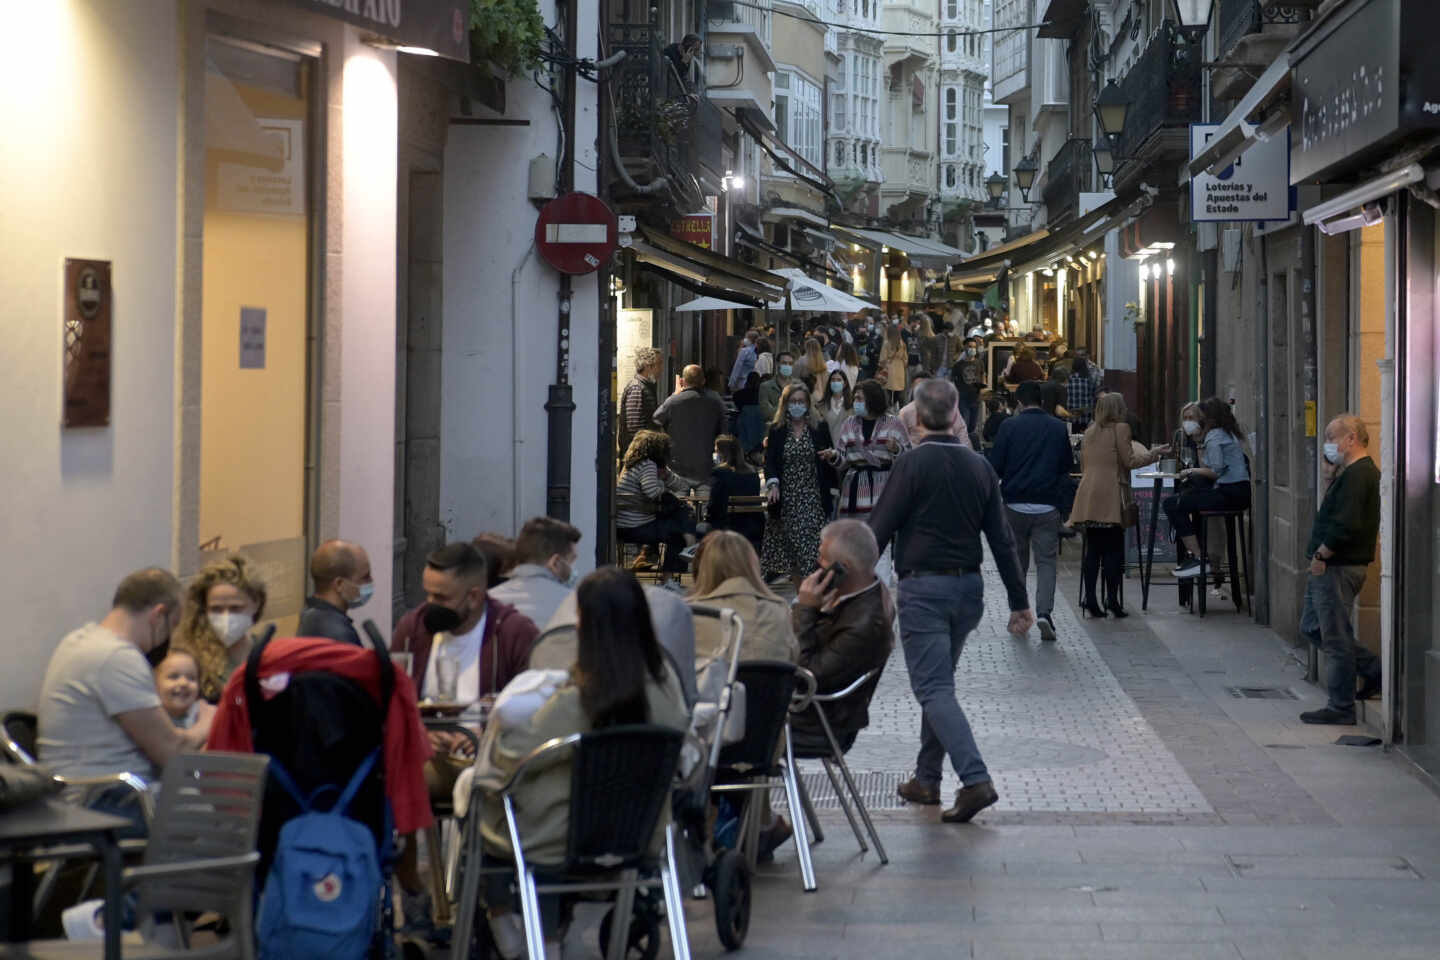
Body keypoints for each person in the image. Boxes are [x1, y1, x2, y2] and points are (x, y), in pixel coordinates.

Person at [470, 569, 689, 957]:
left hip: (558, 839)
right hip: (640, 834)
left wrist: (498, 729)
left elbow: (515, 753)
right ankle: (544, 937)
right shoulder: (666, 687)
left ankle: (506, 916)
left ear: (584, 624)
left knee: (486, 800)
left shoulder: (577, 699)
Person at [868, 379, 1033, 824]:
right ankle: (927, 778)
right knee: (940, 683)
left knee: (933, 688)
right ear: (956, 414)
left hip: (924, 590)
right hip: (968, 593)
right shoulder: (979, 467)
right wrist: (1019, 601)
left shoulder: (911, 465)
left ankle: (975, 779)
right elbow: (1002, 539)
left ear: (916, 418)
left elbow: (879, 528)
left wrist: (845, 579)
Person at [391, 541, 537, 926]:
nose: (430, 603)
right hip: (427, 761)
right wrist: (421, 734)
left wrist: (486, 725)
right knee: (391, 779)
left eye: (441, 596)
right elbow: (391, 700)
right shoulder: (414, 629)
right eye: (427, 592)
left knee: (480, 790)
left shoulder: (514, 633)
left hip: (493, 761)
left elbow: (537, 704)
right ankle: (413, 890)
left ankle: (489, 901)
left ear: (474, 595)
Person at [38, 568, 212, 826]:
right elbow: (172, 752)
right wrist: (210, 718)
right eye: (173, 626)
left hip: (80, 795)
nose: (168, 637)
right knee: (227, 814)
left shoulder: (78, 640)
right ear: (158, 615)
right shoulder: (116, 658)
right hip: (105, 801)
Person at [1299, 415, 1382, 725]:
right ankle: (1373, 669)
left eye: (1332, 437)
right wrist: (1328, 479)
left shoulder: (1360, 474)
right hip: (1329, 564)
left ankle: (1341, 706)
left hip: (1337, 565)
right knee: (1312, 627)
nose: (1328, 443)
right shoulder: (1348, 475)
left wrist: (1323, 553)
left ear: (1351, 439)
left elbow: (1345, 523)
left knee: (1335, 637)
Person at [789, 520, 892, 756]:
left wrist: (805, 609)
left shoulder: (865, 623)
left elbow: (804, 676)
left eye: (822, 557)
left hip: (816, 723)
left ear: (841, 568)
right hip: (808, 712)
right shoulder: (855, 597)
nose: (816, 565)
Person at [988, 380, 1075, 642]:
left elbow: (997, 465)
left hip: (1014, 504)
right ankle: (1044, 613)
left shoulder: (1009, 426)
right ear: (1042, 401)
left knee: (1018, 562)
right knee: (1046, 562)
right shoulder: (1058, 428)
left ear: (1019, 402)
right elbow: (1065, 467)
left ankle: (1019, 612)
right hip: (1047, 505)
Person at [1069, 393, 1163, 617]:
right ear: (1118, 408)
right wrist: (1154, 455)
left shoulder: (1089, 431)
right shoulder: (1121, 429)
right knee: (1113, 550)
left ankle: (1090, 598)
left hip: (1088, 492)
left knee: (1093, 549)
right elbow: (1130, 461)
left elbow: (1084, 463)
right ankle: (1112, 600)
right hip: (1111, 492)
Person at [1164, 397, 1251, 580]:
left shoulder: (1214, 436)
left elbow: (1216, 470)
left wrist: (1192, 470)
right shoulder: (1227, 433)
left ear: (1208, 418)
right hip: (1238, 493)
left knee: (1172, 504)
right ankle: (1201, 558)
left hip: (1229, 493)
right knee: (1188, 499)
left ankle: (1199, 558)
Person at [761, 383, 836, 586]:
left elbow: (831, 457)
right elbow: (770, 462)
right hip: (787, 500)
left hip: (813, 498)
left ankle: (810, 595)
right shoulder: (777, 430)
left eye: (801, 401)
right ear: (785, 404)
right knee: (793, 553)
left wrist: (831, 461)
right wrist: (773, 484)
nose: (797, 405)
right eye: (793, 402)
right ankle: (801, 596)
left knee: (812, 551)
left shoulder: (819, 427)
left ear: (807, 403)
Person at [688, 530, 797, 667]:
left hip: (712, 687)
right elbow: (793, 659)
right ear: (753, 565)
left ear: (702, 568)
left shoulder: (689, 614)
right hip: (768, 687)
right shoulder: (779, 610)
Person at [171, 556, 268, 704]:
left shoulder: (267, 654)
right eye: (216, 609)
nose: (226, 618)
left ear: (256, 603)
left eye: (236, 608)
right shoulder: (190, 660)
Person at [616, 429, 698, 574]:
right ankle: (671, 576)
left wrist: (665, 475)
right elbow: (652, 491)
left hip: (623, 525)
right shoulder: (648, 464)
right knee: (678, 528)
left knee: (680, 510)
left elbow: (681, 485)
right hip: (637, 526)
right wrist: (668, 495)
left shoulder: (631, 465)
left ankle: (690, 545)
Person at [487, 516, 582, 633]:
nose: (574, 568)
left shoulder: (488, 602)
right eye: (572, 560)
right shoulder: (575, 606)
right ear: (556, 562)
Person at [834, 379, 909, 520]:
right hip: (854, 491)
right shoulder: (849, 424)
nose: (855, 401)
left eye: (859, 398)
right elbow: (841, 460)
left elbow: (908, 457)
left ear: (872, 399)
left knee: (880, 532)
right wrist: (833, 456)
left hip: (883, 488)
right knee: (854, 537)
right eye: (855, 398)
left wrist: (896, 449)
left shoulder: (893, 423)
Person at [653, 363, 727, 496]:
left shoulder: (673, 402)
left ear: (682, 381)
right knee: (706, 508)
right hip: (705, 466)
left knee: (678, 507)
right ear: (703, 381)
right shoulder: (715, 402)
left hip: (677, 465)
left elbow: (655, 421)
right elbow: (724, 431)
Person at [297, 539, 372, 647]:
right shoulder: (338, 634)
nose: (370, 582)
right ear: (339, 584)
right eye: (365, 577)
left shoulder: (310, 616)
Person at [707, 433, 764, 549]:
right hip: (753, 528)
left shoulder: (720, 473)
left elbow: (714, 506)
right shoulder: (753, 473)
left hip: (727, 527)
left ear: (722, 453)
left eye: (716, 451)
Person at [899, 375, 974, 449]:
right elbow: (902, 439)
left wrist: (967, 452)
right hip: (918, 456)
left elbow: (960, 431)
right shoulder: (905, 412)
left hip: (948, 452)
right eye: (918, 387)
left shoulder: (948, 407)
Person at [620, 347, 663, 461]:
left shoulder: (645, 387)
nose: (661, 369)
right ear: (648, 366)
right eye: (659, 364)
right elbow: (634, 428)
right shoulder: (637, 388)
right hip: (639, 457)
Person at [154, 649, 203, 729]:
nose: (184, 683)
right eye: (174, 676)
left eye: (191, 678)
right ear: (156, 683)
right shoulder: (150, 717)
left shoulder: (203, 715)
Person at [1065, 350, 1102, 429]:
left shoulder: (1067, 380)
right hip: (1086, 417)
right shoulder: (1089, 381)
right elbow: (1095, 396)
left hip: (1070, 416)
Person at [952, 360, 985, 447]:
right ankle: (963, 447)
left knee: (972, 426)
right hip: (963, 398)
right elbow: (953, 379)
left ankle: (969, 447)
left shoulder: (979, 363)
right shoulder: (958, 365)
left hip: (975, 398)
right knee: (964, 425)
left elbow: (982, 377)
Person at [817, 368, 854, 440]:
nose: (835, 382)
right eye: (833, 380)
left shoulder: (852, 405)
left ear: (845, 384)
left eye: (839, 380)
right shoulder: (821, 406)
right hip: (827, 446)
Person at [879, 321, 909, 409]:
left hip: (889, 368)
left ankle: (888, 408)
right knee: (898, 390)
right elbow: (906, 358)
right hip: (899, 369)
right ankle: (896, 405)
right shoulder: (902, 343)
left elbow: (882, 359)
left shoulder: (886, 343)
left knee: (887, 390)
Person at [759, 350, 794, 424]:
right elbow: (767, 413)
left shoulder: (797, 386)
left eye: (790, 364)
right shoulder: (765, 387)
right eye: (784, 363)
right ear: (777, 364)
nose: (787, 366)